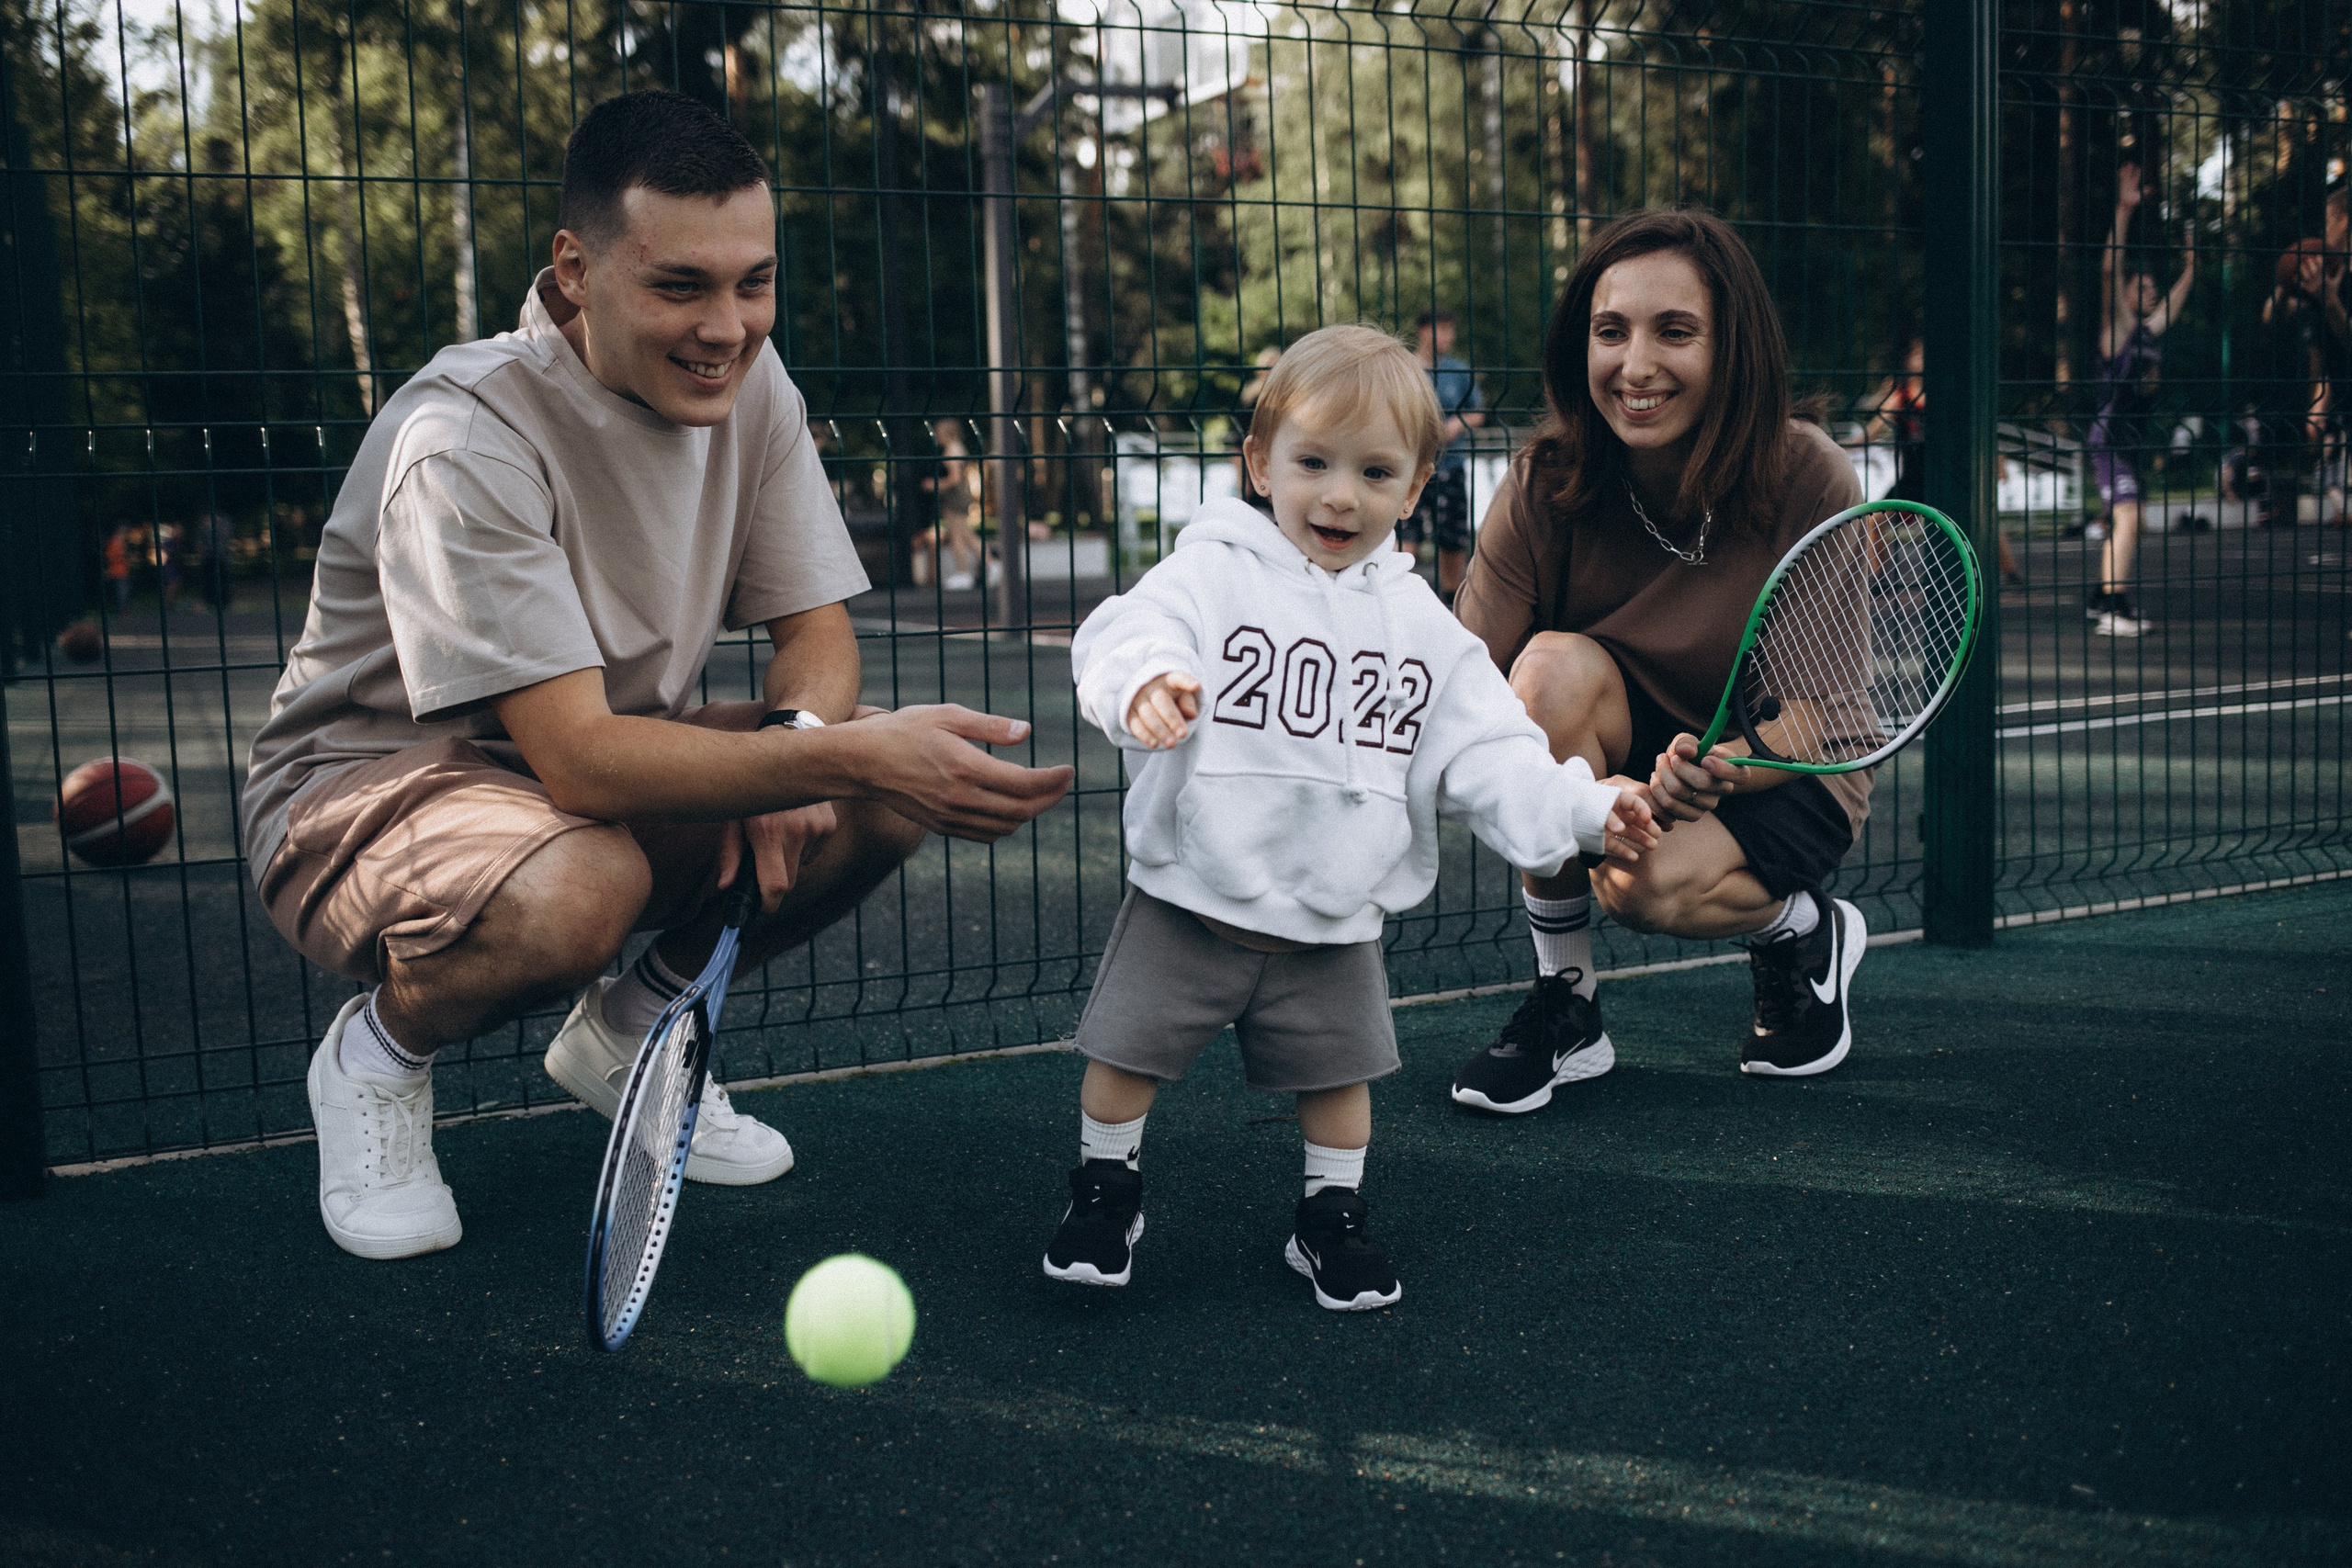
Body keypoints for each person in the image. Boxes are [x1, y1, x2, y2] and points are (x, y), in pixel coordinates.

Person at [241, 91, 1072, 1263]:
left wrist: (800, 746)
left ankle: (635, 1027)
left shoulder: (754, 387)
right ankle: (376, 1054)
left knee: (874, 795)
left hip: (580, 784)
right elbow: (580, 762)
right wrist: (819, 756)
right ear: (575, 271)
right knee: (587, 884)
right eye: (680, 285)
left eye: (754, 282)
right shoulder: (463, 437)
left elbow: (818, 641)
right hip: (362, 798)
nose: (726, 327)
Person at [1046, 324, 1657, 1310]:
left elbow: (1495, 751)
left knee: (1339, 1087)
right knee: (1122, 1061)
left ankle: (1328, 1220)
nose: (1340, 496)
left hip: (1333, 916)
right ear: (1260, 463)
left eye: (1374, 473)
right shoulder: (1212, 573)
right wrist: (1146, 681)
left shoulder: (1422, 630)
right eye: (1313, 463)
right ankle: (1105, 1192)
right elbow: (1130, 630)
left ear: (1414, 489)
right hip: (1191, 892)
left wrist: (1586, 807)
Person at [1444, 207, 1871, 1112]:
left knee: (1641, 887)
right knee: (1546, 674)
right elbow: (1461, 683)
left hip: (1785, 765)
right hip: (1627, 754)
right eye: (1610, 332)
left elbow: (1813, 717)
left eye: (1674, 332)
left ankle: (1802, 929)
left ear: (1732, 349)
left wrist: (1716, 770)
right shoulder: (1541, 482)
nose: (1634, 366)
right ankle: (1566, 1001)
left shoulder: (1810, 477)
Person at [2084, 163, 2195, 637]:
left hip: (2128, 441)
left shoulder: (2149, 333)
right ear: (2127, 295)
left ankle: (2099, 599)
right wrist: (2124, 210)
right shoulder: (2120, 329)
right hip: (2109, 438)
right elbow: (2110, 268)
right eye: (2142, 287)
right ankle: (2114, 607)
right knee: (2127, 516)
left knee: (2129, 520)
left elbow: (2174, 303)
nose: (2151, 292)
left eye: (2153, 286)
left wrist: (2192, 267)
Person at [1863, 336, 2021, 584]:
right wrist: (1847, 443)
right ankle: (1881, 576)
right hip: (1914, 478)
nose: (1922, 359)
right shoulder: (1900, 396)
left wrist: (1997, 460)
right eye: (1918, 354)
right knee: (1875, 520)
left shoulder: (1949, 392)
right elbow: (1874, 427)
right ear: (1909, 360)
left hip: (1947, 474)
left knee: (1984, 519)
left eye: (1927, 354)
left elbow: (1979, 431)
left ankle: (2011, 572)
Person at [1396, 308, 1487, 600]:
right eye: (1441, 329)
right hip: (1410, 464)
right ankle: (1400, 594)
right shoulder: (1404, 368)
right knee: (1405, 532)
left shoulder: (1459, 371)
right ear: (1424, 331)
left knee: (1452, 537)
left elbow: (1478, 412)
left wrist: (1457, 423)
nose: (1448, 337)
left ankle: (1451, 597)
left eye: (1450, 330)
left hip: (1450, 464)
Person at [910, 418, 982, 590]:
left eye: (939, 433)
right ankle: (983, 566)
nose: (936, 436)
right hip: (957, 497)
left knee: (959, 536)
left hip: (955, 498)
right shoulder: (956, 447)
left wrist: (935, 484)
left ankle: (967, 572)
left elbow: (955, 479)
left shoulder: (953, 449)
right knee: (963, 535)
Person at [1227, 345, 1281, 512]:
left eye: (1278, 365)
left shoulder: (1290, 401)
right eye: (1270, 365)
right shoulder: (1252, 402)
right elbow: (1237, 444)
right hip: (1258, 484)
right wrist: (1242, 483)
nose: (1274, 370)